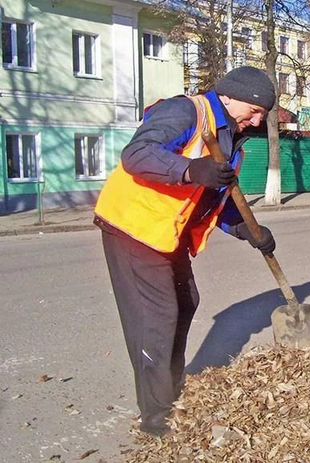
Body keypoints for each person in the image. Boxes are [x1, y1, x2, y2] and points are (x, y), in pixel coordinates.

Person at [94, 66, 277, 436]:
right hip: (132, 227)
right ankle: (157, 417)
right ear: (228, 95)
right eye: (255, 110)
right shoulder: (186, 112)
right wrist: (191, 170)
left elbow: (213, 195)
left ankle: (170, 388)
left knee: (186, 300)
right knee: (156, 316)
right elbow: (137, 154)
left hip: (165, 234)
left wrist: (246, 229)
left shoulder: (231, 141)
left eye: (263, 114)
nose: (258, 120)